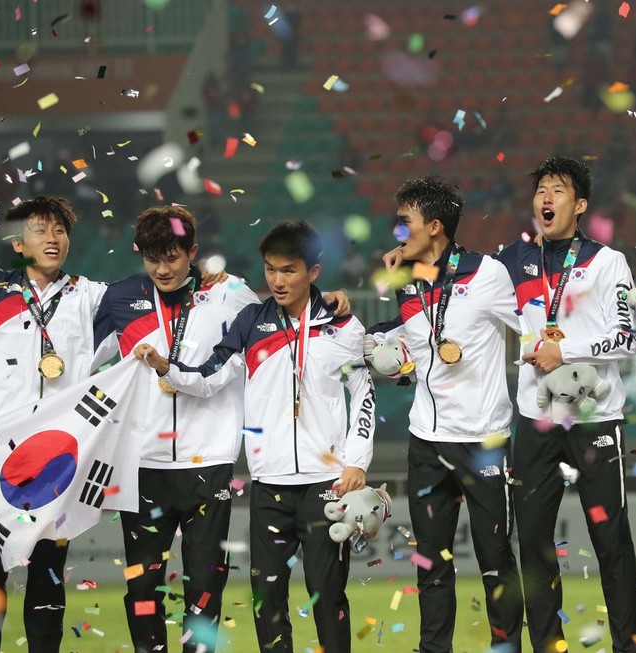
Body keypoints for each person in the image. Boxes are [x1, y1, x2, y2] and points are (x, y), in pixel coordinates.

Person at [382, 158, 636, 652]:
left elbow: (628, 338)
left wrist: (563, 350)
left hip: (594, 418)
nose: (545, 198)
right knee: (536, 548)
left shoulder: (608, 262)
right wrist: (403, 257)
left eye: (558, 190)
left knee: (611, 544)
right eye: (540, 190)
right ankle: (548, 645)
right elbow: (452, 277)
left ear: (580, 204)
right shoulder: (509, 263)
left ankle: (630, 645)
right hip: (535, 419)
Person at [134, 220, 376, 653]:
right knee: (267, 602)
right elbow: (209, 377)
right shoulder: (250, 322)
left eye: (288, 270)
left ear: (313, 271)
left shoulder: (342, 327)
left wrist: (357, 460)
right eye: (270, 270)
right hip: (269, 487)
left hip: (327, 484)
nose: (277, 281)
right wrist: (166, 367)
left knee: (328, 596)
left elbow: (362, 392)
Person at [92, 206, 261, 653]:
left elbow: (280, 325)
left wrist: (334, 302)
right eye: (152, 258)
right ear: (139, 253)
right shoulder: (119, 298)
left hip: (209, 462)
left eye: (173, 256)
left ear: (193, 252)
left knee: (205, 589)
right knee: (142, 589)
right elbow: (79, 367)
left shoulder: (232, 295)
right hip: (142, 464)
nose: (163, 269)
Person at [369, 176, 524, 653]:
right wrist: (377, 345)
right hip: (427, 440)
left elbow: (535, 327)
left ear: (435, 227)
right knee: (430, 561)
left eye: (404, 224)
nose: (396, 233)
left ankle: (506, 647)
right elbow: (410, 343)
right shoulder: (405, 280)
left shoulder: (489, 274)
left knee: (495, 557)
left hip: (484, 440)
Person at [0, 196, 109, 653]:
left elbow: (157, 296)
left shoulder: (93, 296)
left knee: (46, 586)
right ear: (19, 244)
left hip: (55, 468)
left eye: (60, 230)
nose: (53, 238)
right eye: (40, 230)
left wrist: (207, 280)